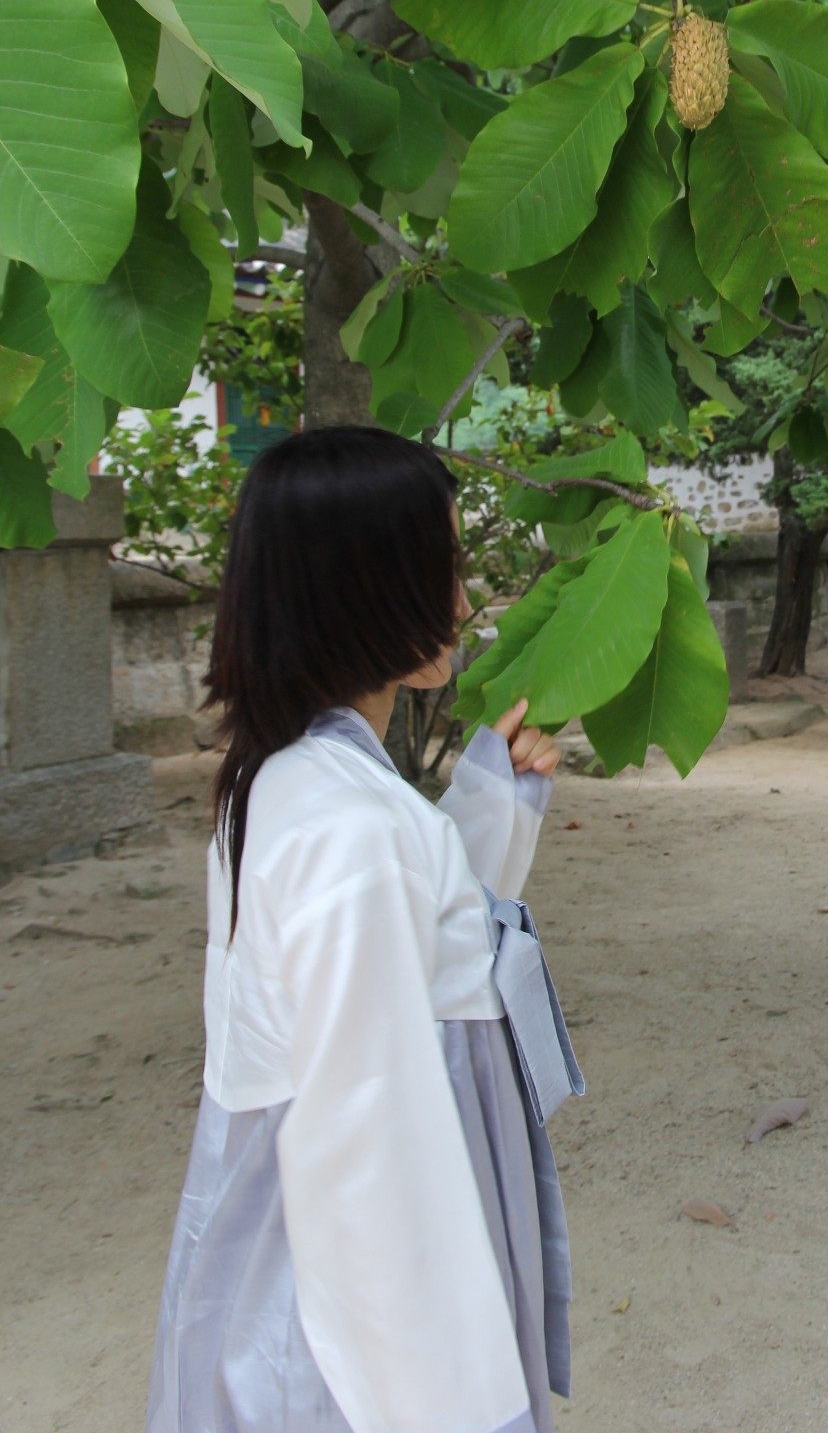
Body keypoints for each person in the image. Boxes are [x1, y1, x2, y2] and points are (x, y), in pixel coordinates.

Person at [145, 425, 583, 1433]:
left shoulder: (284, 777)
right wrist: (448, 1405)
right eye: (447, 565)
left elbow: (412, 949)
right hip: (349, 1294)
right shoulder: (350, 824)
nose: (465, 600)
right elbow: (368, 1132)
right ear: (368, 584)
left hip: (279, 1236)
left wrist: (492, 800)